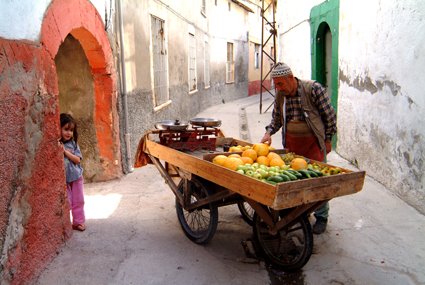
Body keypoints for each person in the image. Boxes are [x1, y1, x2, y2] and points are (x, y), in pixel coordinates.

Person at [261, 62, 337, 234]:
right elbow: (277, 120)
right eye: (276, 85)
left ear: (290, 77)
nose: (278, 88)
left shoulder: (313, 89)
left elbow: (330, 116)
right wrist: (268, 133)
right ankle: (301, 213)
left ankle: (321, 216)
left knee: (317, 183)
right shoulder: (281, 96)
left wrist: (328, 139)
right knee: (295, 182)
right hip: (292, 148)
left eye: (280, 83)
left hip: (313, 146)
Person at [59, 113, 86, 232]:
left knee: (78, 201)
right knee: (67, 201)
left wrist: (65, 152)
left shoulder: (73, 144)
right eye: (65, 129)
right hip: (64, 179)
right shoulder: (57, 144)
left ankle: (78, 222)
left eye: (71, 130)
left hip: (76, 178)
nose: (68, 133)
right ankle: (66, 222)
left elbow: (77, 160)